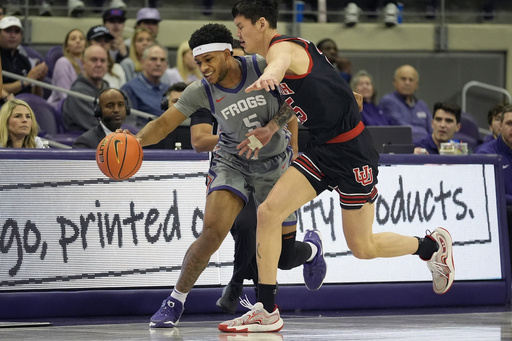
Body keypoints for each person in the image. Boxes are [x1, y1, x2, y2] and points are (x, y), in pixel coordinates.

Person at [222, 0, 455, 332]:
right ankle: (267, 309)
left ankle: (432, 246)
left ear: (261, 24)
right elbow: (299, 97)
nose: (238, 34)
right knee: (268, 212)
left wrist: (270, 76)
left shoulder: (281, 50)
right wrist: (271, 128)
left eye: (241, 27)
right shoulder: (276, 56)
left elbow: (279, 66)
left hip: (352, 152)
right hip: (320, 149)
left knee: (362, 247)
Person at [123, 23, 325, 328]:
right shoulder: (200, 90)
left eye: (209, 60)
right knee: (212, 233)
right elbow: (164, 124)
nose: (203, 68)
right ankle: (175, 300)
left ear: (228, 53)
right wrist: (135, 141)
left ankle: (311, 250)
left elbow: (294, 104)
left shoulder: (261, 67)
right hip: (232, 161)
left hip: (274, 163)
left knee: (283, 258)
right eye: (198, 62)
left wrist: (277, 133)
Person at [475, 105, 512, 272]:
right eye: (510, 123)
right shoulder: (486, 154)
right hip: (501, 221)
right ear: (500, 126)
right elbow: (489, 194)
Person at [379, 64, 432, 145]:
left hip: (424, 147)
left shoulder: (422, 105)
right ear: (394, 82)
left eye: (411, 80)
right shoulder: (388, 101)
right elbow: (404, 129)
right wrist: (426, 134)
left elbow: (432, 129)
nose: (407, 83)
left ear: (417, 85)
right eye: (403, 79)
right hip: (401, 149)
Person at [63, 45, 109, 132]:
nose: (99, 64)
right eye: (94, 60)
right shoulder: (77, 93)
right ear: (83, 63)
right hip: (86, 142)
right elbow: (97, 126)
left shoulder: (108, 90)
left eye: (102, 61)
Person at [0, 16, 48, 97]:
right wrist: (27, 80)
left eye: (17, 31)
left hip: (25, 106)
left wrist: (38, 81)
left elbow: (36, 97)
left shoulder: (24, 60)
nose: (13, 35)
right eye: (8, 31)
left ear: (21, 36)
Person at [121, 43, 168, 121]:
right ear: (143, 62)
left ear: (166, 65)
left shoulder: (169, 89)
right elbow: (129, 124)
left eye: (162, 60)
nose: (158, 63)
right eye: (153, 59)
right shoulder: (129, 89)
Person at [47, 28, 85, 109]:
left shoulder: (88, 65)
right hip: (61, 108)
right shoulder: (63, 63)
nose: (78, 41)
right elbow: (64, 95)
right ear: (67, 46)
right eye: (73, 39)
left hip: (82, 108)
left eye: (81, 38)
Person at [86, 25, 126, 89]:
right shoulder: (83, 67)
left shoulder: (117, 69)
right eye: (98, 40)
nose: (103, 43)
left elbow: (124, 97)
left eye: (106, 40)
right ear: (88, 43)